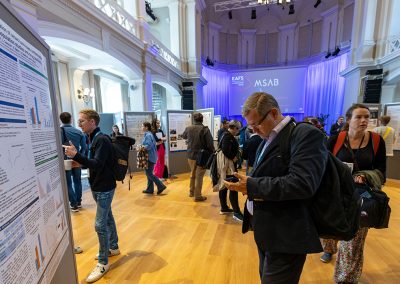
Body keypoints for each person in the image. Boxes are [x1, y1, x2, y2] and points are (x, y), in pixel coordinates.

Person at [224, 92, 328, 283]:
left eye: (256, 124)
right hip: (269, 231)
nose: (254, 130)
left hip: (287, 235)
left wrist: (252, 185)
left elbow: (303, 183)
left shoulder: (306, 134)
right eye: (251, 126)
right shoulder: (270, 136)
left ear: (273, 113)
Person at [320, 104, 386, 284]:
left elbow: (382, 171)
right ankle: (329, 248)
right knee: (328, 231)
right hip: (334, 195)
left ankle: (346, 279)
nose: (364, 120)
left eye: (367, 116)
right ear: (349, 120)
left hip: (361, 197)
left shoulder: (377, 141)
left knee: (353, 242)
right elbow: (322, 166)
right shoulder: (335, 139)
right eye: (359, 117)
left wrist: (365, 175)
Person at [63, 109, 120, 283]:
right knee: (108, 217)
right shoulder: (92, 138)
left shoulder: (101, 139)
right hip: (99, 186)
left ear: (93, 122)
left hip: (104, 187)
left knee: (99, 225)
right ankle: (114, 247)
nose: (79, 124)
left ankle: (103, 262)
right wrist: (77, 159)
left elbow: (96, 164)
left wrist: (76, 155)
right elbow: (94, 163)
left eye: (82, 121)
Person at [214, 120, 244, 221]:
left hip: (226, 167)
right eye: (238, 129)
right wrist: (233, 157)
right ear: (234, 128)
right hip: (228, 168)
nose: (238, 131)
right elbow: (226, 150)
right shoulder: (228, 136)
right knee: (233, 188)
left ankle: (224, 208)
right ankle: (236, 212)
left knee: (224, 186)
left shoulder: (225, 134)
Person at [182, 113, 214, 201]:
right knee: (199, 176)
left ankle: (191, 192)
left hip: (190, 155)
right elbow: (210, 144)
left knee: (192, 173)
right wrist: (213, 153)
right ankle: (198, 196)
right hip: (202, 156)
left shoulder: (189, 128)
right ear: (202, 119)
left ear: (194, 120)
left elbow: (184, 136)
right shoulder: (205, 129)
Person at [59, 112, 87, 212]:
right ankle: (79, 202)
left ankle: (73, 204)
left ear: (60, 120)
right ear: (71, 119)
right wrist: (80, 157)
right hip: (76, 159)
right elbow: (84, 147)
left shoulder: (59, 131)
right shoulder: (78, 132)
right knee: (78, 181)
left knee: (68, 183)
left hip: (65, 161)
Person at [141, 122, 167, 195]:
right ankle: (150, 189)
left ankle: (161, 186)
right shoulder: (149, 134)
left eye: (142, 126)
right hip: (151, 156)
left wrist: (141, 147)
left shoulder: (148, 135)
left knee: (149, 173)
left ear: (146, 127)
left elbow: (148, 146)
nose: (141, 127)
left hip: (149, 157)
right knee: (149, 173)